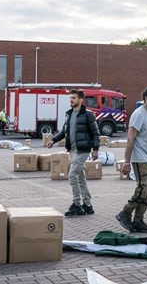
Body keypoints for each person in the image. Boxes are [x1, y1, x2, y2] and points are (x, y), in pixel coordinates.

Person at [116, 84, 147, 234]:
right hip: (141, 158)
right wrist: (126, 162)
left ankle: (138, 220)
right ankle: (125, 213)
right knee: (143, 189)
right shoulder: (139, 114)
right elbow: (130, 139)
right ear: (145, 97)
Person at [46, 89, 100, 217]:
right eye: (70, 98)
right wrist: (53, 140)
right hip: (72, 150)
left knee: (72, 176)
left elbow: (95, 133)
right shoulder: (69, 114)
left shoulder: (88, 114)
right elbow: (64, 132)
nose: (71, 100)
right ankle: (87, 204)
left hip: (83, 150)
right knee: (80, 177)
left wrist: (95, 149)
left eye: (74, 98)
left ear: (81, 100)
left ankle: (77, 204)